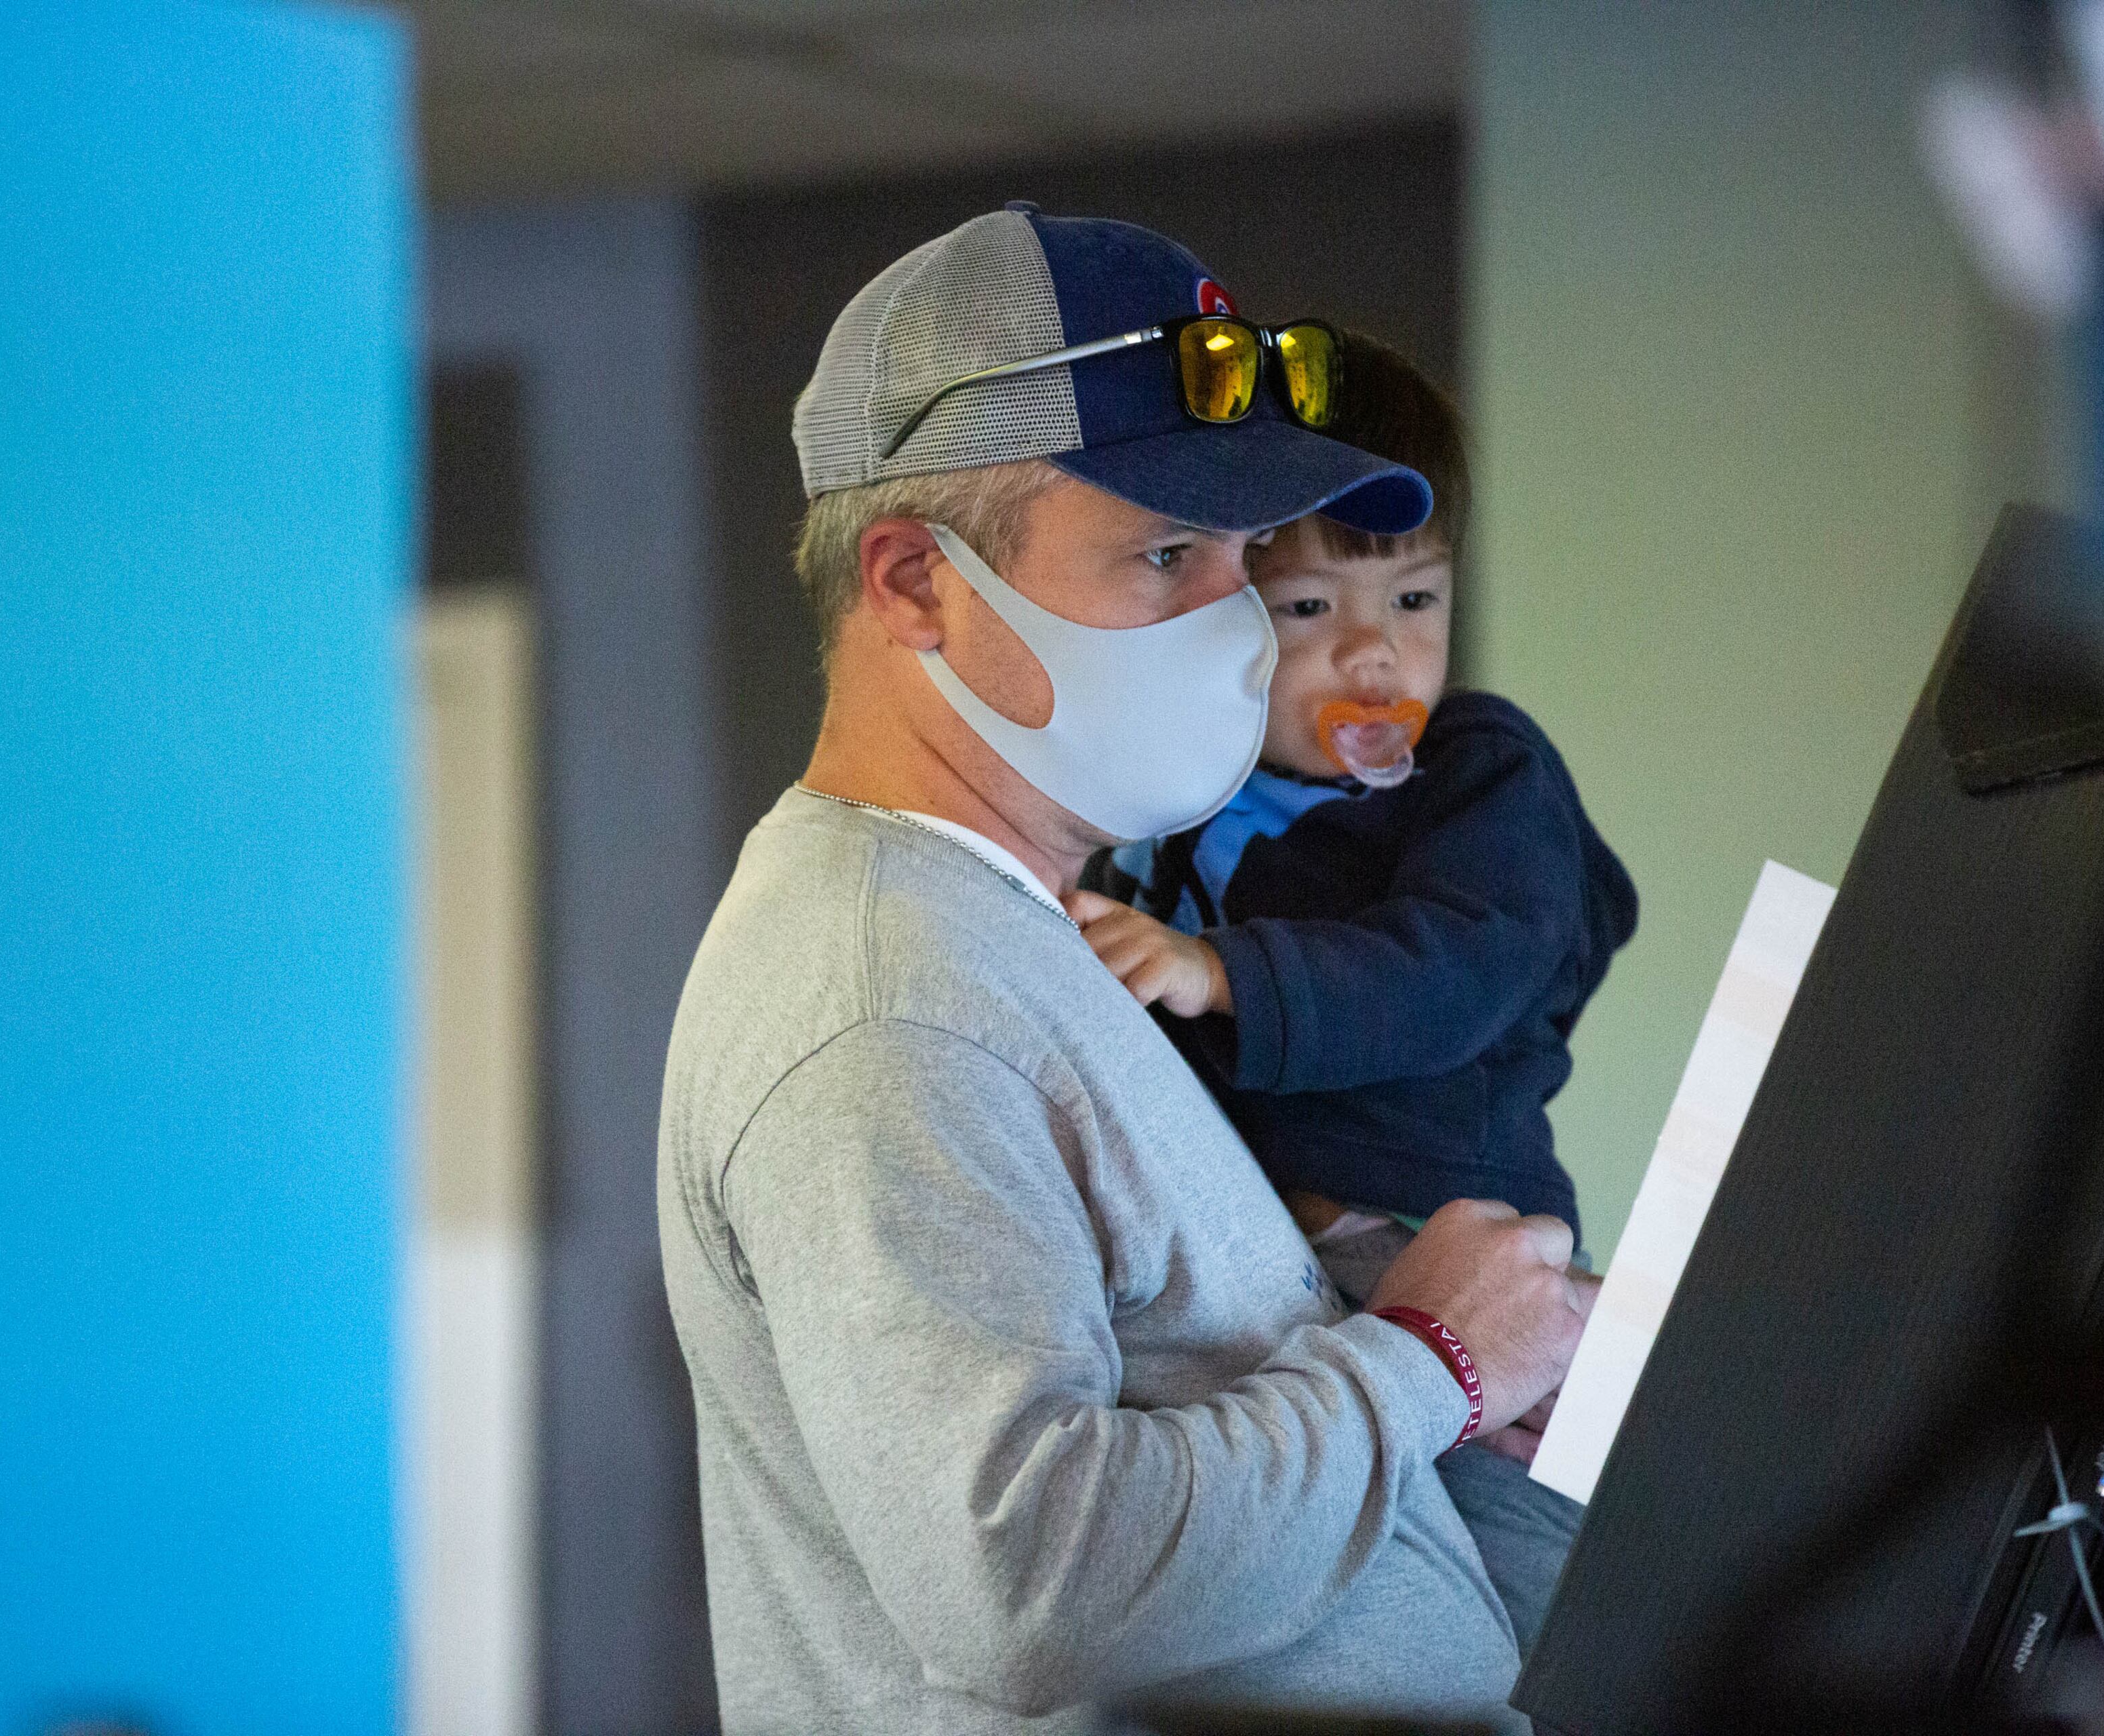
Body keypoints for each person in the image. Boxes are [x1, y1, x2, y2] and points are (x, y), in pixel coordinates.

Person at [658, 203, 1597, 1735]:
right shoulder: (885, 1003)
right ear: (912, 581)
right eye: (1164, 554)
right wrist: (1423, 1359)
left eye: (1244, 562)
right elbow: (1030, 1581)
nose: (1234, 624)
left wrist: (1482, 1363)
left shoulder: (1029, 937)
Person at [1065, 334, 1637, 1646]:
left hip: (1436, 1236)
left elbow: (1462, 966)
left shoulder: (1478, 774)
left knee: (1530, 1599)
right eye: (1313, 611)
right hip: (1274, 1302)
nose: (1375, 659)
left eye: (1417, 604)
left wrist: (1219, 974)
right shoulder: (1166, 820)